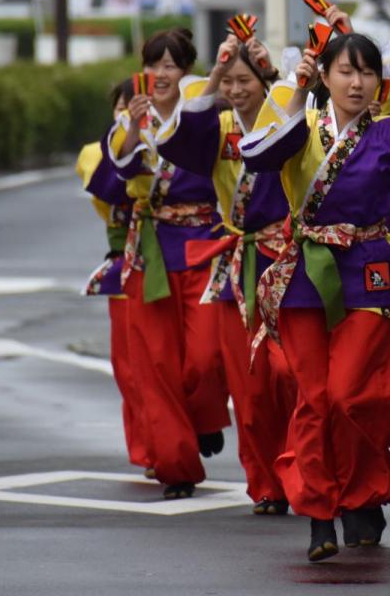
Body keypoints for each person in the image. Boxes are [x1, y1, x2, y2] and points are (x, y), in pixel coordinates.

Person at [239, 32, 390, 562]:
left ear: (379, 82)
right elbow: (255, 152)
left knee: (352, 394)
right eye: (345, 71)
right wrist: (293, 89)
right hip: (306, 271)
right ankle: (320, 512)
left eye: (367, 72)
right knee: (315, 399)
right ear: (324, 75)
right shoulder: (299, 123)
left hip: (368, 271)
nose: (356, 81)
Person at [155, 34, 297, 516]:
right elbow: (174, 139)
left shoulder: (289, 121)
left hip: (286, 259)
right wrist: (212, 77)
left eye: (245, 81)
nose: (236, 91)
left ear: (264, 83)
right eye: (229, 83)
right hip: (236, 260)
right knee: (248, 385)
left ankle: (304, 469)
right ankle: (266, 483)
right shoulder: (215, 127)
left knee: (291, 376)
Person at [106, 28, 231, 499]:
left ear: (187, 71)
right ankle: (177, 466)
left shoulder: (207, 113)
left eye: (172, 65)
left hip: (203, 243)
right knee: (156, 364)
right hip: (152, 249)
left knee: (205, 356)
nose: (161, 74)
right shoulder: (129, 119)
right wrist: (135, 126)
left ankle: (204, 419)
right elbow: (120, 170)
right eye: (154, 64)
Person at [76, 80, 151, 477]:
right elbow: (110, 185)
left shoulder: (166, 141)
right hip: (125, 261)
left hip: (168, 258)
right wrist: (128, 137)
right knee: (129, 365)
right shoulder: (97, 152)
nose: (130, 111)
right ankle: (145, 446)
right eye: (123, 105)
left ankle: (177, 438)